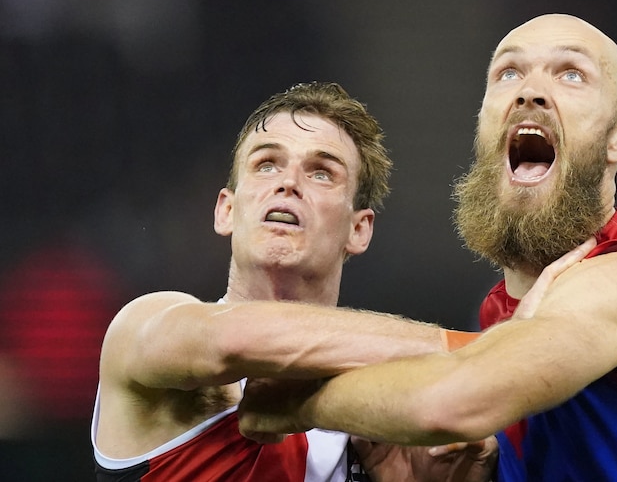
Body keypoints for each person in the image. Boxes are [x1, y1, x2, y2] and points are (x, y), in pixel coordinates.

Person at [236, 14, 617, 481]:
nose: (530, 90)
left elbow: (453, 400)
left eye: (571, 74)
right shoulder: (502, 318)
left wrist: (293, 404)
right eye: (509, 72)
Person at [90, 82, 501, 482]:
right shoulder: (144, 328)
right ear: (226, 211)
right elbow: (236, 339)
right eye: (266, 164)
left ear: (359, 230)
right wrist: (488, 351)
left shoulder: (383, 423)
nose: (287, 183)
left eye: (322, 173)